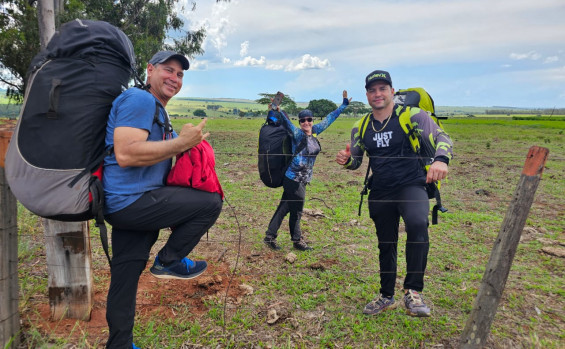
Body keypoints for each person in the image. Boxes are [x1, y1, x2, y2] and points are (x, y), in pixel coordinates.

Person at [103, 51, 223, 348]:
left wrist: (181, 146)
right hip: (132, 201)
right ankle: (169, 261)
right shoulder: (140, 99)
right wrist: (181, 143)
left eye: (180, 74)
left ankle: (119, 344)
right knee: (210, 203)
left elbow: (150, 154)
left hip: (129, 203)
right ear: (150, 69)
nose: (174, 78)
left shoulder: (154, 106)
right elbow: (127, 153)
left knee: (125, 279)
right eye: (168, 70)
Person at [336, 70, 453, 317]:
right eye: (372, 90)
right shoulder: (362, 126)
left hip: (412, 185)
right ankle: (386, 295)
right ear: (367, 95)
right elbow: (356, 161)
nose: (377, 94)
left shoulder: (412, 116)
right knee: (386, 242)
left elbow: (442, 138)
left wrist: (441, 160)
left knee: (418, 224)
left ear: (391, 91)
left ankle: (413, 292)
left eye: (382, 89)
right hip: (380, 190)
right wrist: (346, 160)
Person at [264, 91, 351, 251]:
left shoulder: (316, 131)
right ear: (300, 122)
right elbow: (286, 121)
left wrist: (343, 105)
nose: (306, 123)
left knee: (284, 207)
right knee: (296, 211)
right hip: (293, 179)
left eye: (308, 119)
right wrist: (277, 109)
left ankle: (269, 236)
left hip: (303, 179)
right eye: (302, 120)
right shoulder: (297, 134)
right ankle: (297, 241)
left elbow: (329, 119)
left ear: (312, 121)